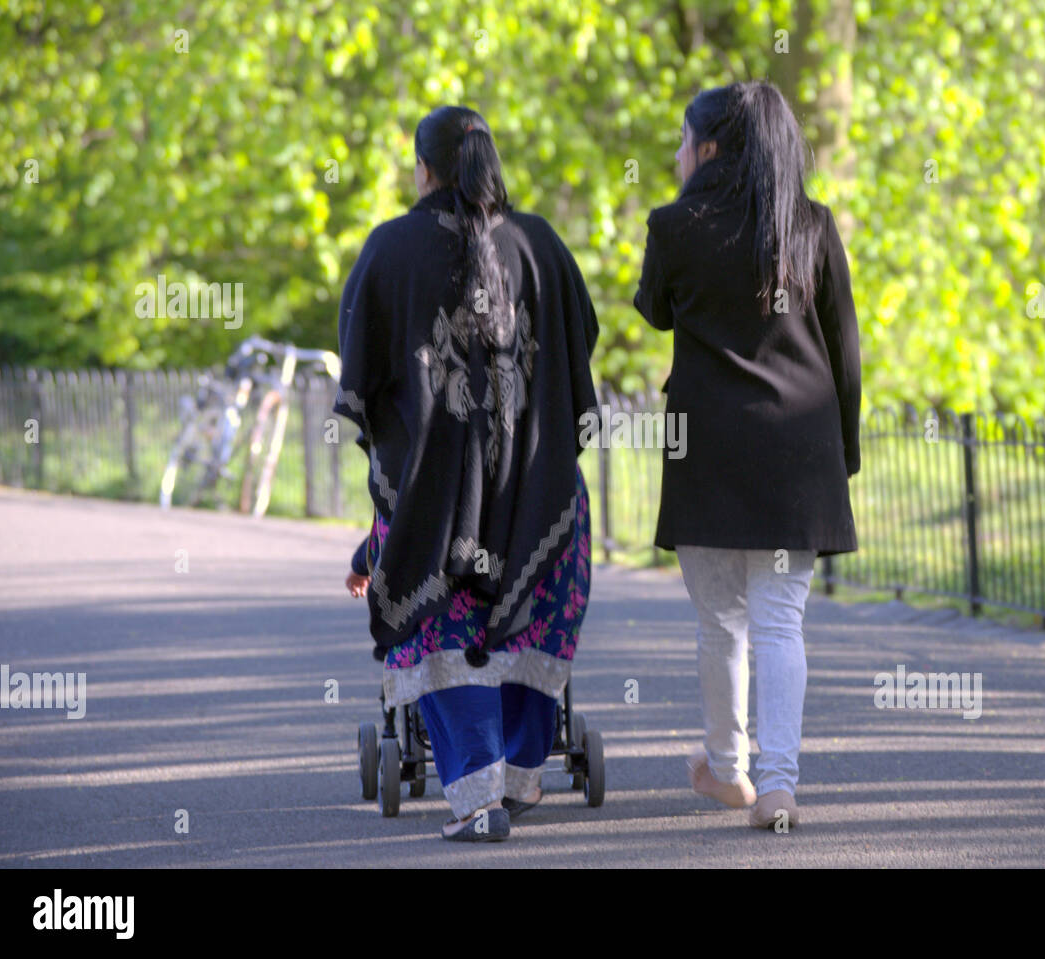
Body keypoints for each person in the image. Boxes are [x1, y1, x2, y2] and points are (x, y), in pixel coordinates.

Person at [337, 105, 599, 842]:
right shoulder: (540, 244)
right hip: (538, 495)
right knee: (535, 605)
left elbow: (364, 376)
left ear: (423, 170)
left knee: (441, 620)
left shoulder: (389, 249)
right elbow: (580, 344)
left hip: (434, 507)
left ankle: (479, 797)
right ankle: (519, 776)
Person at [634, 81, 862, 830]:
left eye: (682, 141)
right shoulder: (812, 225)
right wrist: (844, 453)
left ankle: (728, 770)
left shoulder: (675, 226)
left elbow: (655, 310)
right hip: (799, 452)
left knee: (720, 625)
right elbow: (844, 349)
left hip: (706, 451)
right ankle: (780, 785)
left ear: (709, 148)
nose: (676, 154)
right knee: (780, 623)